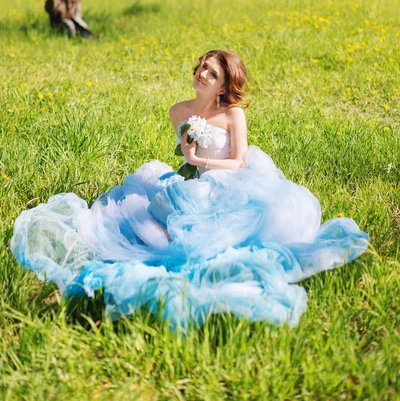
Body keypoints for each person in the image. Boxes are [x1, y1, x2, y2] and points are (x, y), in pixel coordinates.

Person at [11, 50, 368, 329]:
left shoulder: (232, 114)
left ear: (224, 86)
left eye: (212, 72)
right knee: (151, 212)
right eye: (201, 66)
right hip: (193, 182)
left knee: (235, 219)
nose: (202, 73)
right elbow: (184, 155)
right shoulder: (178, 110)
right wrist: (188, 159)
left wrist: (200, 163)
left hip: (232, 182)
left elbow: (241, 162)